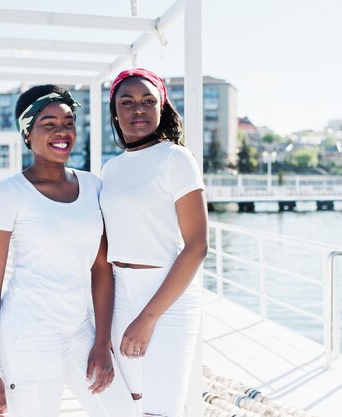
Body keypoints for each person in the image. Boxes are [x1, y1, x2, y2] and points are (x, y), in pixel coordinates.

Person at [0, 85, 134, 417]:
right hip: (28, 337)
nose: (62, 131)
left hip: (79, 329)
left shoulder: (93, 186)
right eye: (49, 124)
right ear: (27, 133)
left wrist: (102, 341)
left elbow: (101, 268)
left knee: (122, 411)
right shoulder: (8, 194)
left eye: (69, 122)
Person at [100, 68, 209, 417]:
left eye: (148, 101)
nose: (138, 110)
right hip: (121, 291)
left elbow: (197, 246)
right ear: (115, 112)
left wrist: (148, 318)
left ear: (162, 106)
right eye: (127, 102)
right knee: (131, 403)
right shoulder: (111, 169)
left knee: (161, 411)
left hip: (167, 297)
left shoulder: (176, 158)